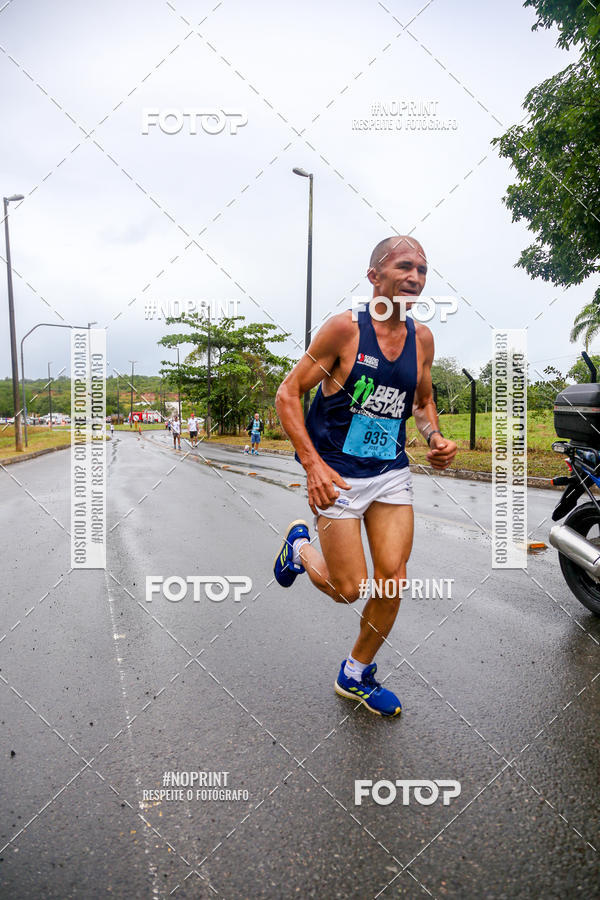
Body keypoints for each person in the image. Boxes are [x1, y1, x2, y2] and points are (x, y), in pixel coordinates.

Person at [273, 236, 457, 718]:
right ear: (375, 275)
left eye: (422, 269)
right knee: (347, 589)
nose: (415, 277)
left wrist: (434, 436)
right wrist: (312, 463)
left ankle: (355, 673)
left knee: (392, 579)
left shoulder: (422, 340)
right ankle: (299, 550)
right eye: (404, 266)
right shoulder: (344, 332)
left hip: (391, 474)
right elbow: (288, 394)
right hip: (336, 474)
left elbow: (420, 403)